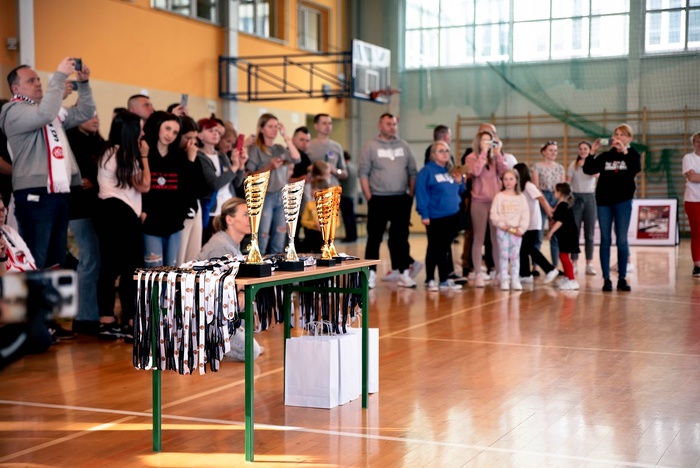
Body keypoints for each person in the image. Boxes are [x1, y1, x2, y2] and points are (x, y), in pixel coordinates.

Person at [0, 58, 95, 271]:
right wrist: (59, 77)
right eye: (31, 80)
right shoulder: (13, 110)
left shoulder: (50, 112)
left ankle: (50, 294)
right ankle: (33, 295)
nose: (38, 83)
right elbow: (44, 114)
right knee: (36, 258)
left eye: (38, 79)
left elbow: (85, 113)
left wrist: (84, 84)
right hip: (35, 192)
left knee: (55, 259)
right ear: (16, 88)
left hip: (57, 191)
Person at [94, 111, 150, 341]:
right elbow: (145, 185)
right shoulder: (121, 154)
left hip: (112, 212)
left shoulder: (109, 151)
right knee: (129, 268)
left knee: (113, 268)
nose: (142, 133)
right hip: (119, 213)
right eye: (139, 128)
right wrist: (145, 156)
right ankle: (127, 321)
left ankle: (111, 320)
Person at [359, 113, 418, 289]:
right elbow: (363, 173)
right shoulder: (370, 146)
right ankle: (370, 274)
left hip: (401, 199)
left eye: (394, 124)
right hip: (378, 199)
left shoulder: (404, 146)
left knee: (401, 239)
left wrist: (410, 197)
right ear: (380, 125)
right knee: (374, 239)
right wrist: (369, 198)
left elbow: (412, 172)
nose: (392, 127)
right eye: (388, 124)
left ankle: (404, 273)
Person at [583, 124, 641, 292]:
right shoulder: (605, 156)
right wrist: (592, 152)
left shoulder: (633, 154)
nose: (618, 137)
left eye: (622, 134)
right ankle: (606, 279)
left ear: (629, 138)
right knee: (605, 239)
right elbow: (588, 169)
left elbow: (635, 169)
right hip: (604, 202)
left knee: (622, 239)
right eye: (616, 134)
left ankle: (622, 278)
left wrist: (624, 151)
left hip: (623, 202)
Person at [141, 111, 199, 267]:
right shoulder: (145, 154)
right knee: (154, 270)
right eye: (167, 128)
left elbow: (189, 188)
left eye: (175, 132)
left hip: (174, 224)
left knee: (170, 270)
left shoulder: (180, 157)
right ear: (158, 126)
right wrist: (143, 212)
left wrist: (191, 160)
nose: (170, 135)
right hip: (151, 223)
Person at [66, 110, 104, 334]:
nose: (95, 120)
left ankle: (94, 312)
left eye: (97, 116)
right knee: (89, 260)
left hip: (99, 209)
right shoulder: (69, 141)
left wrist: (96, 182)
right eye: (90, 115)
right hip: (79, 209)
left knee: (97, 261)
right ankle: (84, 316)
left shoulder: (100, 143)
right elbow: (77, 179)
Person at [245, 113, 301, 255]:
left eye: (276, 126)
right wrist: (269, 167)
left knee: (280, 235)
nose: (274, 130)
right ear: (261, 129)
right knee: (263, 235)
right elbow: (249, 175)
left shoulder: (279, 148)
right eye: (270, 126)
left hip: (281, 196)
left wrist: (286, 136)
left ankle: (276, 264)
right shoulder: (256, 149)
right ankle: (259, 262)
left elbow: (296, 158)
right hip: (264, 196)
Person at [415, 141, 465, 291]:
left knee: (445, 249)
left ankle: (443, 279)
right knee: (434, 248)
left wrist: (460, 182)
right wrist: (424, 214)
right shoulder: (426, 172)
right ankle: (430, 279)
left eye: (447, 150)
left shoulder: (451, 170)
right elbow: (421, 193)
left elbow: (461, 191)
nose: (445, 153)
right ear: (433, 155)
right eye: (441, 151)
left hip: (452, 215)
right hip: (435, 216)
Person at [465, 130, 507, 287]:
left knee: (496, 239)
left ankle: (499, 272)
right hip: (479, 202)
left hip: (495, 202)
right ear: (479, 142)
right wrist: (483, 154)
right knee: (479, 238)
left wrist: (498, 154)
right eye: (484, 140)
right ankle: (478, 274)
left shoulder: (494, 157)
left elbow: (504, 173)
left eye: (490, 140)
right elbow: (475, 171)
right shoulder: (471, 157)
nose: (488, 143)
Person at [197, 118, 247, 245]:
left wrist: (240, 165)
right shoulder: (199, 157)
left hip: (229, 207)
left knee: (231, 245)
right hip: (213, 209)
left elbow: (236, 183)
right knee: (214, 245)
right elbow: (215, 184)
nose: (215, 134)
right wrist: (234, 167)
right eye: (210, 131)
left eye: (217, 132)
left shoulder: (221, 155)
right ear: (200, 135)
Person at [513, 163, 559, 285]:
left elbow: (541, 198)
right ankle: (525, 274)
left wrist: (550, 214)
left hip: (532, 223)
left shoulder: (529, 186)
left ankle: (550, 269)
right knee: (523, 249)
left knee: (529, 248)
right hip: (524, 224)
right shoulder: (520, 187)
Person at [489, 169, 529, 291]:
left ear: (516, 181)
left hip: (516, 231)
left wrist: (521, 228)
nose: (508, 182)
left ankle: (515, 279)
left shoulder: (521, 197)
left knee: (515, 256)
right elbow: (494, 214)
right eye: (505, 179)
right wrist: (502, 224)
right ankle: (504, 279)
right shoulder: (499, 196)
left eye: (511, 179)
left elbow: (525, 214)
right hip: (503, 231)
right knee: (503, 255)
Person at [176, 116, 207, 265]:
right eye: (188, 138)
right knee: (180, 256)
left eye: (194, 138)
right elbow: (184, 184)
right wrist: (189, 160)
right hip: (181, 208)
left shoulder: (194, 156)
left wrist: (192, 159)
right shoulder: (175, 156)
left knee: (193, 256)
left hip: (195, 206)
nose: (192, 142)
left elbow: (201, 187)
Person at [532, 141, 565, 269]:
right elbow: (536, 187)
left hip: (556, 198)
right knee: (538, 233)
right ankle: (535, 265)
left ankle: (555, 265)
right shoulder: (537, 167)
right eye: (551, 150)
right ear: (544, 152)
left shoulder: (560, 168)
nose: (553, 153)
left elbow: (563, 189)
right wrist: (546, 205)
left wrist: (558, 206)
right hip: (541, 197)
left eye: (555, 150)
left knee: (555, 234)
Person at [567, 141, 598, 275]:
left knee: (589, 234)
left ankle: (589, 263)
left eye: (585, 149)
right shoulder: (573, 165)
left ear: (590, 150)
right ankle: (574, 262)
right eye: (580, 149)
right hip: (576, 198)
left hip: (590, 198)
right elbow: (567, 182)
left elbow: (598, 175)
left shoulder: (593, 164)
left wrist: (589, 166)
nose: (583, 151)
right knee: (574, 233)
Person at [546, 183, 580, 290]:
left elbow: (560, 221)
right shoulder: (562, 205)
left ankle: (572, 280)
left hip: (568, 235)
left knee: (564, 256)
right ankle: (567, 277)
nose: (554, 193)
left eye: (555, 191)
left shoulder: (563, 206)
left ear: (560, 192)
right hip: (565, 235)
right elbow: (558, 218)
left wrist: (551, 232)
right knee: (563, 255)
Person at [306, 113, 347, 186]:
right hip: (314, 188)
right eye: (324, 123)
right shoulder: (308, 146)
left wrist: (336, 171)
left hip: (332, 188)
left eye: (330, 123)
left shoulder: (337, 147)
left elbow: (344, 173)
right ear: (316, 126)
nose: (328, 126)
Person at [683, 132, 700, 277]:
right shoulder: (688, 158)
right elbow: (692, 177)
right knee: (697, 232)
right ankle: (697, 265)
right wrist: (694, 175)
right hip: (693, 200)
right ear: (693, 143)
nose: (699, 144)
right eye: (697, 141)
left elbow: (696, 176)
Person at [300, 174, 331, 254]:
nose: (312, 191)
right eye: (312, 189)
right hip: (312, 234)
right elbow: (303, 221)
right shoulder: (309, 205)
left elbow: (335, 222)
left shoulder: (329, 206)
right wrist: (313, 224)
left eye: (315, 189)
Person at [339, 151, 358, 243]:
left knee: (346, 217)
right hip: (351, 194)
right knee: (352, 217)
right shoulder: (353, 167)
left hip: (345, 194)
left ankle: (349, 236)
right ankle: (354, 235)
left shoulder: (345, 168)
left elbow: (341, 178)